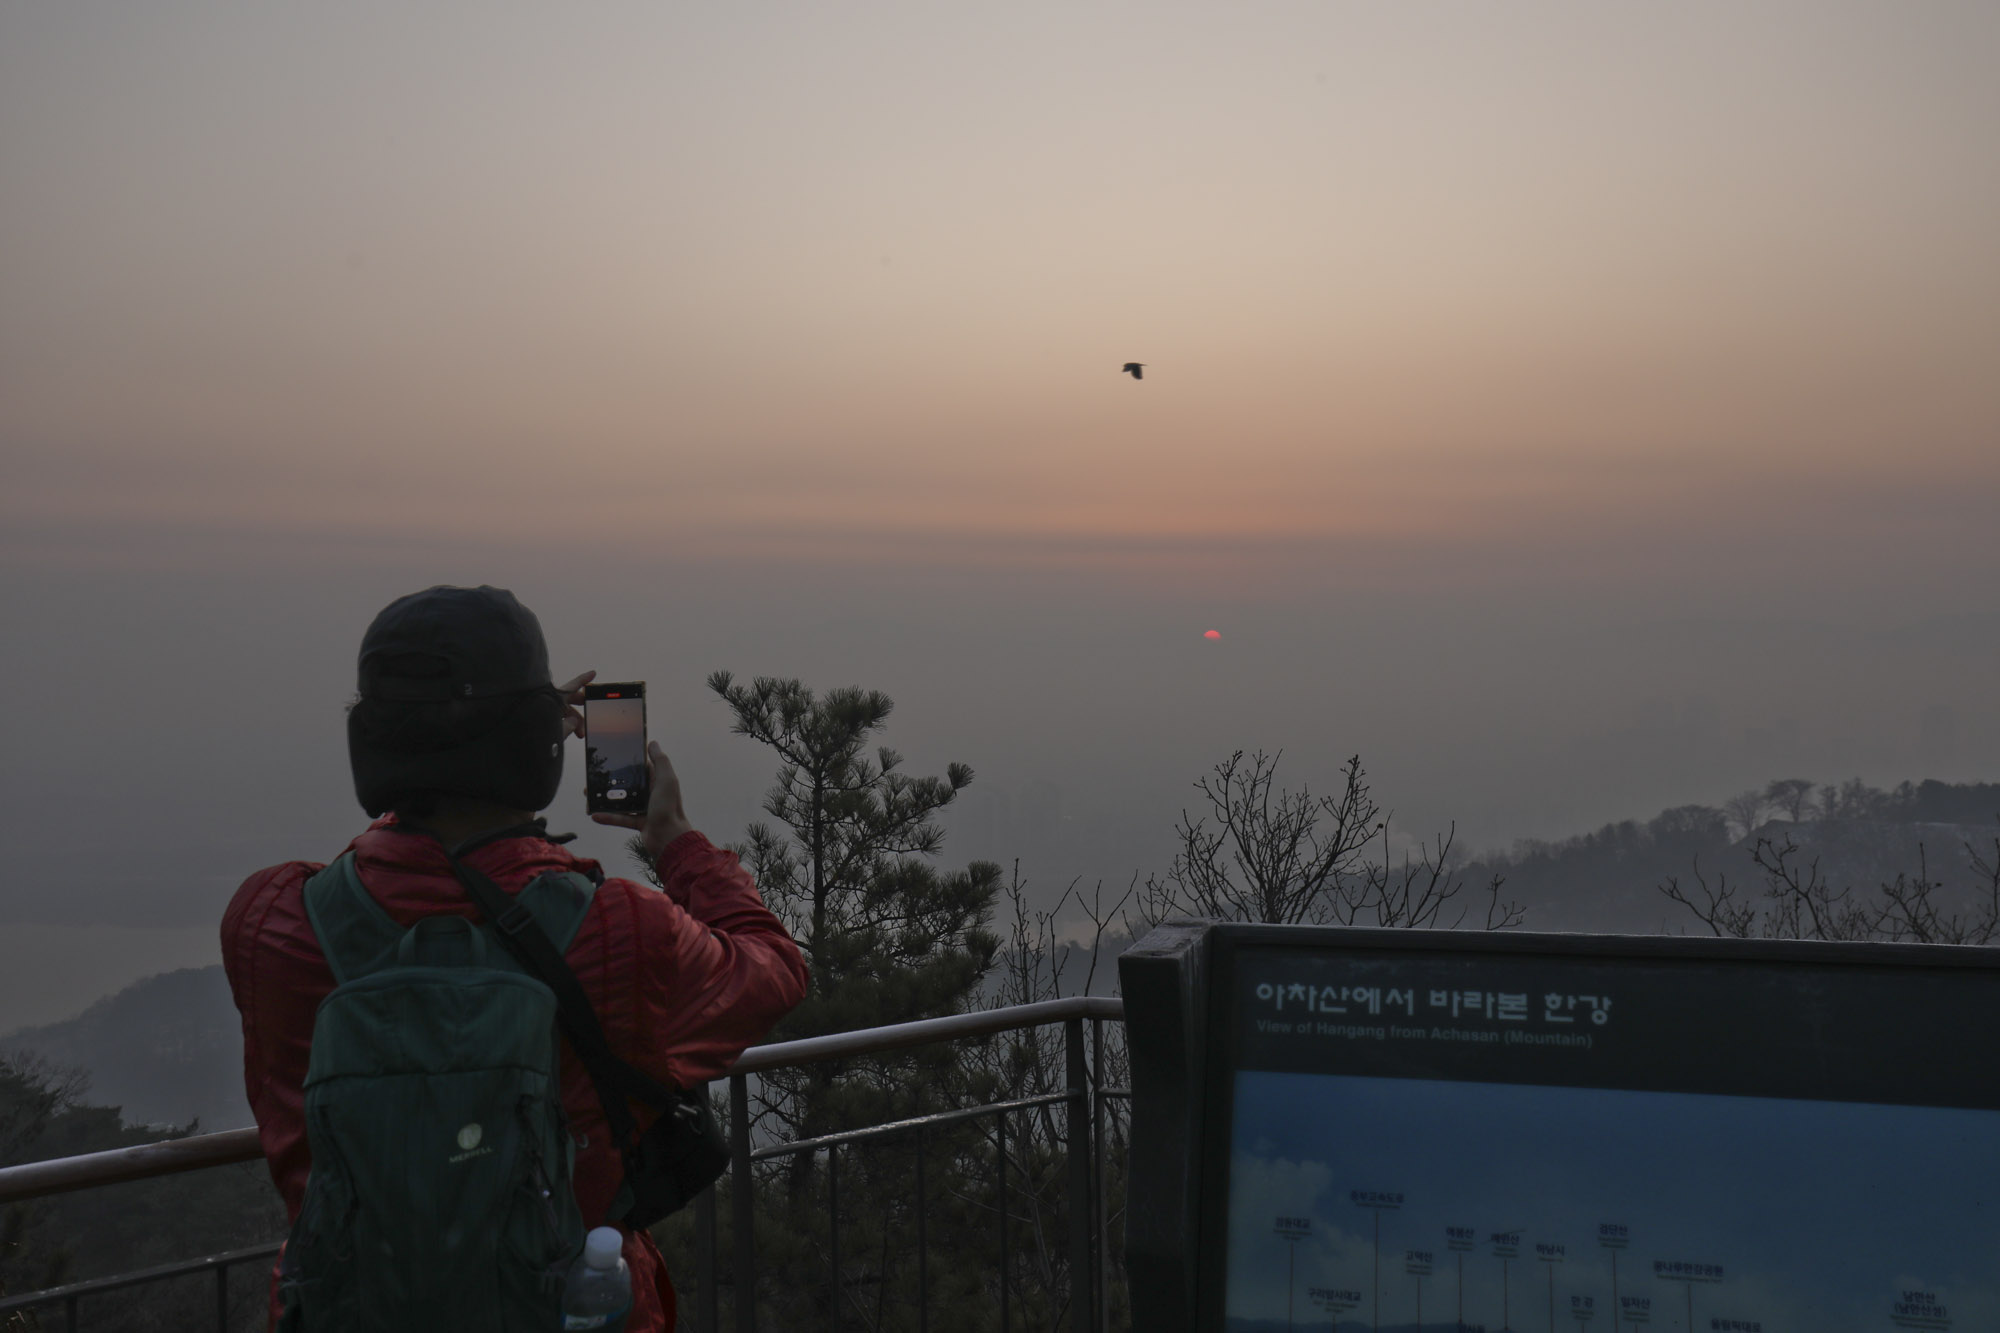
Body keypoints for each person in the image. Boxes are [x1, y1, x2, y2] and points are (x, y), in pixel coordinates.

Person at [222, 585, 807, 1330]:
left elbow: (390, 889)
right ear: (534, 744)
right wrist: (676, 841)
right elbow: (774, 966)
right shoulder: (617, 930)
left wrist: (481, 730)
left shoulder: (272, 925)